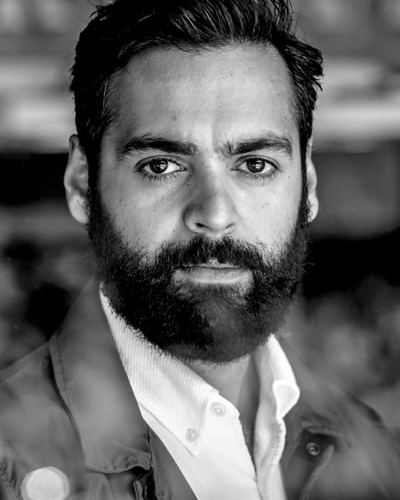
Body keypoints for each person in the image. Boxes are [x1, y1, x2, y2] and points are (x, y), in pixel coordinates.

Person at [0, 0, 399, 499]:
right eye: (161, 165)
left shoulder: (370, 450)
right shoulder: (12, 465)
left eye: (255, 165)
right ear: (83, 183)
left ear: (309, 182)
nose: (214, 213)